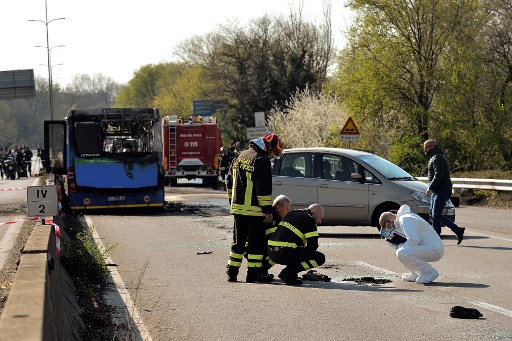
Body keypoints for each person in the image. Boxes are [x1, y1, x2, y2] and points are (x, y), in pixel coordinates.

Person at [225, 133, 284, 283]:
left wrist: (232, 201)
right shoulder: (261, 160)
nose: (273, 157)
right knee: (255, 245)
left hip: (238, 209)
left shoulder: (240, 156)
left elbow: (228, 181)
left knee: (238, 243)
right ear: (268, 148)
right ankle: (253, 275)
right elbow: (263, 189)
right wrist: (267, 211)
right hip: (255, 211)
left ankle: (232, 273)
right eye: (274, 153)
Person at [379, 204, 444, 284]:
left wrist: (401, 246)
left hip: (434, 250)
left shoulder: (405, 219)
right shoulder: (402, 219)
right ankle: (416, 273)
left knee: (402, 252)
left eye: (386, 226)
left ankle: (429, 272)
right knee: (400, 251)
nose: (388, 228)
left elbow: (414, 240)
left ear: (389, 221)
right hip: (428, 247)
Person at [268, 203, 326, 286]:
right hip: (285, 253)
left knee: (296, 250)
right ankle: (288, 273)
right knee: (320, 258)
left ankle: (261, 272)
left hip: (271, 253)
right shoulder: (309, 220)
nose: (319, 222)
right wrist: (304, 257)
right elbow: (313, 245)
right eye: (320, 217)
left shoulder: (292, 213)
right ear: (314, 212)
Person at [423, 139, 465, 243]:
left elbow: (439, 175)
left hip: (441, 190)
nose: (425, 150)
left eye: (426, 148)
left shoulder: (437, 157)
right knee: (433, 214)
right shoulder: (434, 157)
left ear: (432, 147)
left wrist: (430, 188)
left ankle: (458, 230)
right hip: (438, 190)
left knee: (436, 214)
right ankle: (435, 237)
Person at [262, 195, 292, 274]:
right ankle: (261, 271)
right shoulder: (272, 218)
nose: (288, 212)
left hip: (256, 245)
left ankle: (262, 271)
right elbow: (273, 238)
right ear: (279, 208)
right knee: (277, 253)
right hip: (254, 247)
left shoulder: (275, 216)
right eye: (287, 209)